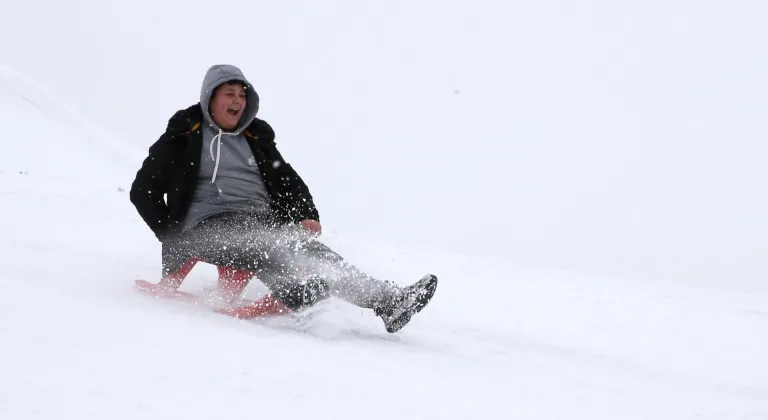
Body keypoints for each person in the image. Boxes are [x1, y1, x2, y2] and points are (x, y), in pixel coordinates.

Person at [129, 64, 437, 333]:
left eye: (242, 94)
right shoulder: (185, 135)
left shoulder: (256, 138)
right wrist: (172, 236)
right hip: (207, 224)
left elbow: (286, 178)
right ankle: (297, 291)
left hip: (260, 219)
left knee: (314, 252)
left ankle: (390, 302)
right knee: (256, 241)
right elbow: (143, 190)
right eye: (229, 94)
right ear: (210, 97)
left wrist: (305, 212)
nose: (237, 101)